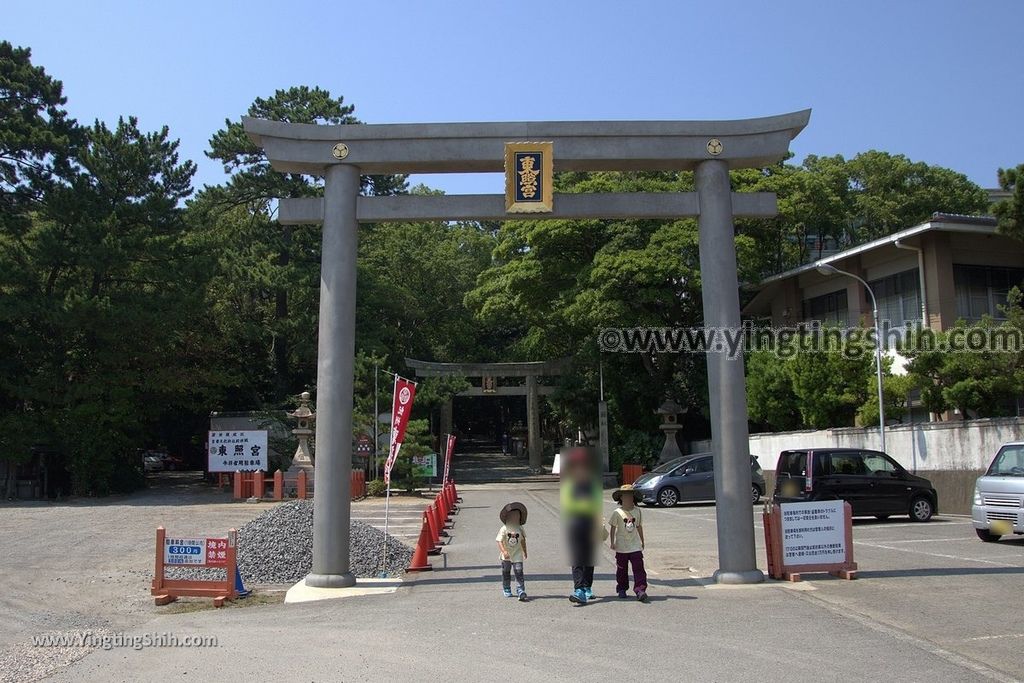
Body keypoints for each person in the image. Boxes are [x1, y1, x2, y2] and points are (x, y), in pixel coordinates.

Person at [560, 447, 603, 605]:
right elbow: (568, 505)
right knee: (577, 557)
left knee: (589, 558)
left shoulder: (593, 485)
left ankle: (587, 586)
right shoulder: (569, 485)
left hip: (591, 525)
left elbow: (596, 506)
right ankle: (578, 589)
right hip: (574, 525)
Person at [609, 484, 649, 602]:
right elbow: (612, 528)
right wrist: (612, 542)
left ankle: (640, 589)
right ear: (621, 498)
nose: (628, 498)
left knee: (639, 568)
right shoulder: (617, 512)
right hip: (621, 547)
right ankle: (622, 588)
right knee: (621, 569)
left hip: (635, 545)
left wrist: (642, 541)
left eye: (630, 496)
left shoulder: (638, 511)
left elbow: (639, 526)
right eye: (625, 496)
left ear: (633, 497)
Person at [496, 501, 529, 602]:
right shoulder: (504, 529)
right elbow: (499, 541)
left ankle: (520, 590)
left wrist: (525, 551)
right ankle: (506, 587)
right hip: (506, 556)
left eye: (517, 516)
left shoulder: (520, 528)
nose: (514, 518)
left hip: (517, 554)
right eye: (512, 516)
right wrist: (504, 551)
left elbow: (523, 540)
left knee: (519, 571)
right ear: (507, 518)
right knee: (506, 572)